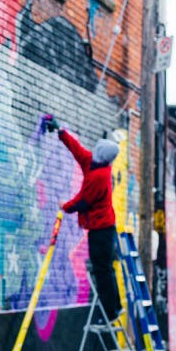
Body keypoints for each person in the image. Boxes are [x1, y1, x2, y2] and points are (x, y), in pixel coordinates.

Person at [44, 115, 123, 321]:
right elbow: (77, 149)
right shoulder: (92, 163)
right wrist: (60, 131)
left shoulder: (100, 176)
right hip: (99, 228)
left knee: (102, 269)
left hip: (102, 230)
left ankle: (111, 311)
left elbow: (83, 201)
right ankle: (115, 306)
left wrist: (65, 206)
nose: (93, 151)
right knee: (105, 268)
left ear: (102, 154)